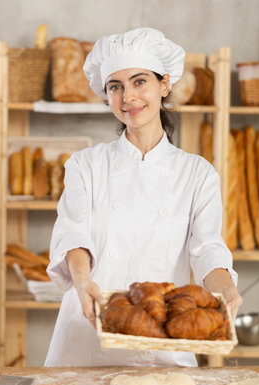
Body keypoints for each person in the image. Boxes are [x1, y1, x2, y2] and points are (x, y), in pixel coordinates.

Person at [44, 27, 242, 367]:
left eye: (139, 82)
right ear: (106, 96)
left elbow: (207, 247)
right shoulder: (85, 165)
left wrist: (225, 289)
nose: (127, 97)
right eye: (115, 87)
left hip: (164, 339)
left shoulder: (196, 173)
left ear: (163, 85)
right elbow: (73, 232)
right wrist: (82, 280)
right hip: (88, 334)